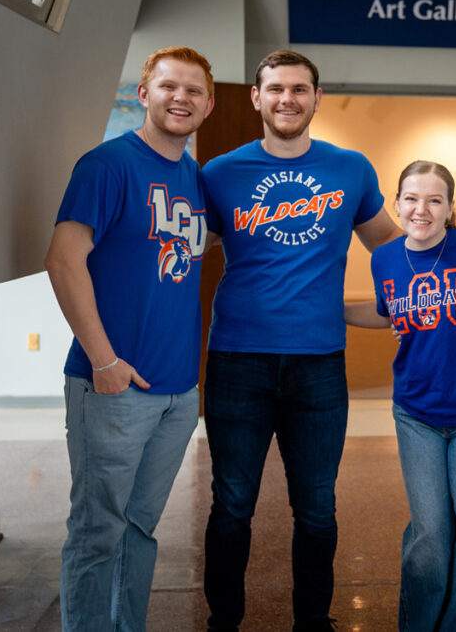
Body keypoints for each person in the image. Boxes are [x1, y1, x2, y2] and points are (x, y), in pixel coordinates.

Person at [200, 50, 400, 632]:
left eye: (300, 89)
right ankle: (223, 621)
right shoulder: (218, 173)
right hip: (237, 359)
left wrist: (439, 285)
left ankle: (313, 621)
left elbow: (388, 246)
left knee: (316, 508)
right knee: (232, 505)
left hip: (318, 365)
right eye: (277, 89)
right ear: (257, 98)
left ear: (317, 98)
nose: (288, 98)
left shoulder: (351, 169)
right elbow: (182, 251)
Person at [45, 46, 216, 631]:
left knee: (139, 531)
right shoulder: (107, 166)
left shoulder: (194, 178)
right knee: (97, 532)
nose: (181, 98)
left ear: (209, 105)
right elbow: (63, 261)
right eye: (169, 86)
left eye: (194, 90)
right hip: (114, 386)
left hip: (177, 392)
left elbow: (187, 248)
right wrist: (104, 360)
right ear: (144, 94)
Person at [346, 160, 456, 631]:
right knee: (431, 535)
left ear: (450, 207)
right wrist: (332, 314)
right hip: (417, 411)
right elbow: (389, 314)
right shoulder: (385, 258)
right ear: (396, 204)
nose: (422, 209)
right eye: (412, 199)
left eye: (434, 200)